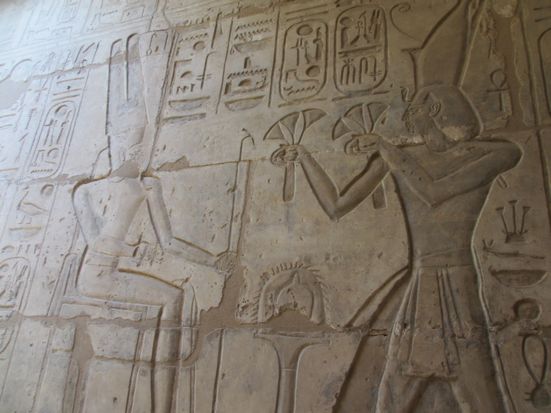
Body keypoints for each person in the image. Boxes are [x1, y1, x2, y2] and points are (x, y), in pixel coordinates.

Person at [270, 85, 522, 412]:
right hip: (420, 285)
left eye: (413, 109)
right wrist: (304, 156)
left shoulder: (488, 154)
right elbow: (337, 205)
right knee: (394, 392)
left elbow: (435, 192)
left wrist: (387, 149)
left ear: (434, 109)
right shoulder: (399, 156)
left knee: (480, 391)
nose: (406, 118)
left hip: (458, 282)